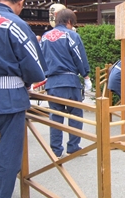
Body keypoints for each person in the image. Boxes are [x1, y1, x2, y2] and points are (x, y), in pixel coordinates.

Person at [0, 0, 47, 198]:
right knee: (8, 155)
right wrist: (30, 81)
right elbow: (34, 64)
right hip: (8, 96)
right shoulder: (14, 24)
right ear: (21, 2)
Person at [40, 9, 92, 158]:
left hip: (52, 82)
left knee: (55, 116)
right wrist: (86, 75)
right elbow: (79, 57)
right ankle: (73, 146)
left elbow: (41, 58)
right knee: (75, 114)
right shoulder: (71, 35)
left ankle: (55, 150)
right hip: (69, 81)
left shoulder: (45, 37)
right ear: (69, 21)